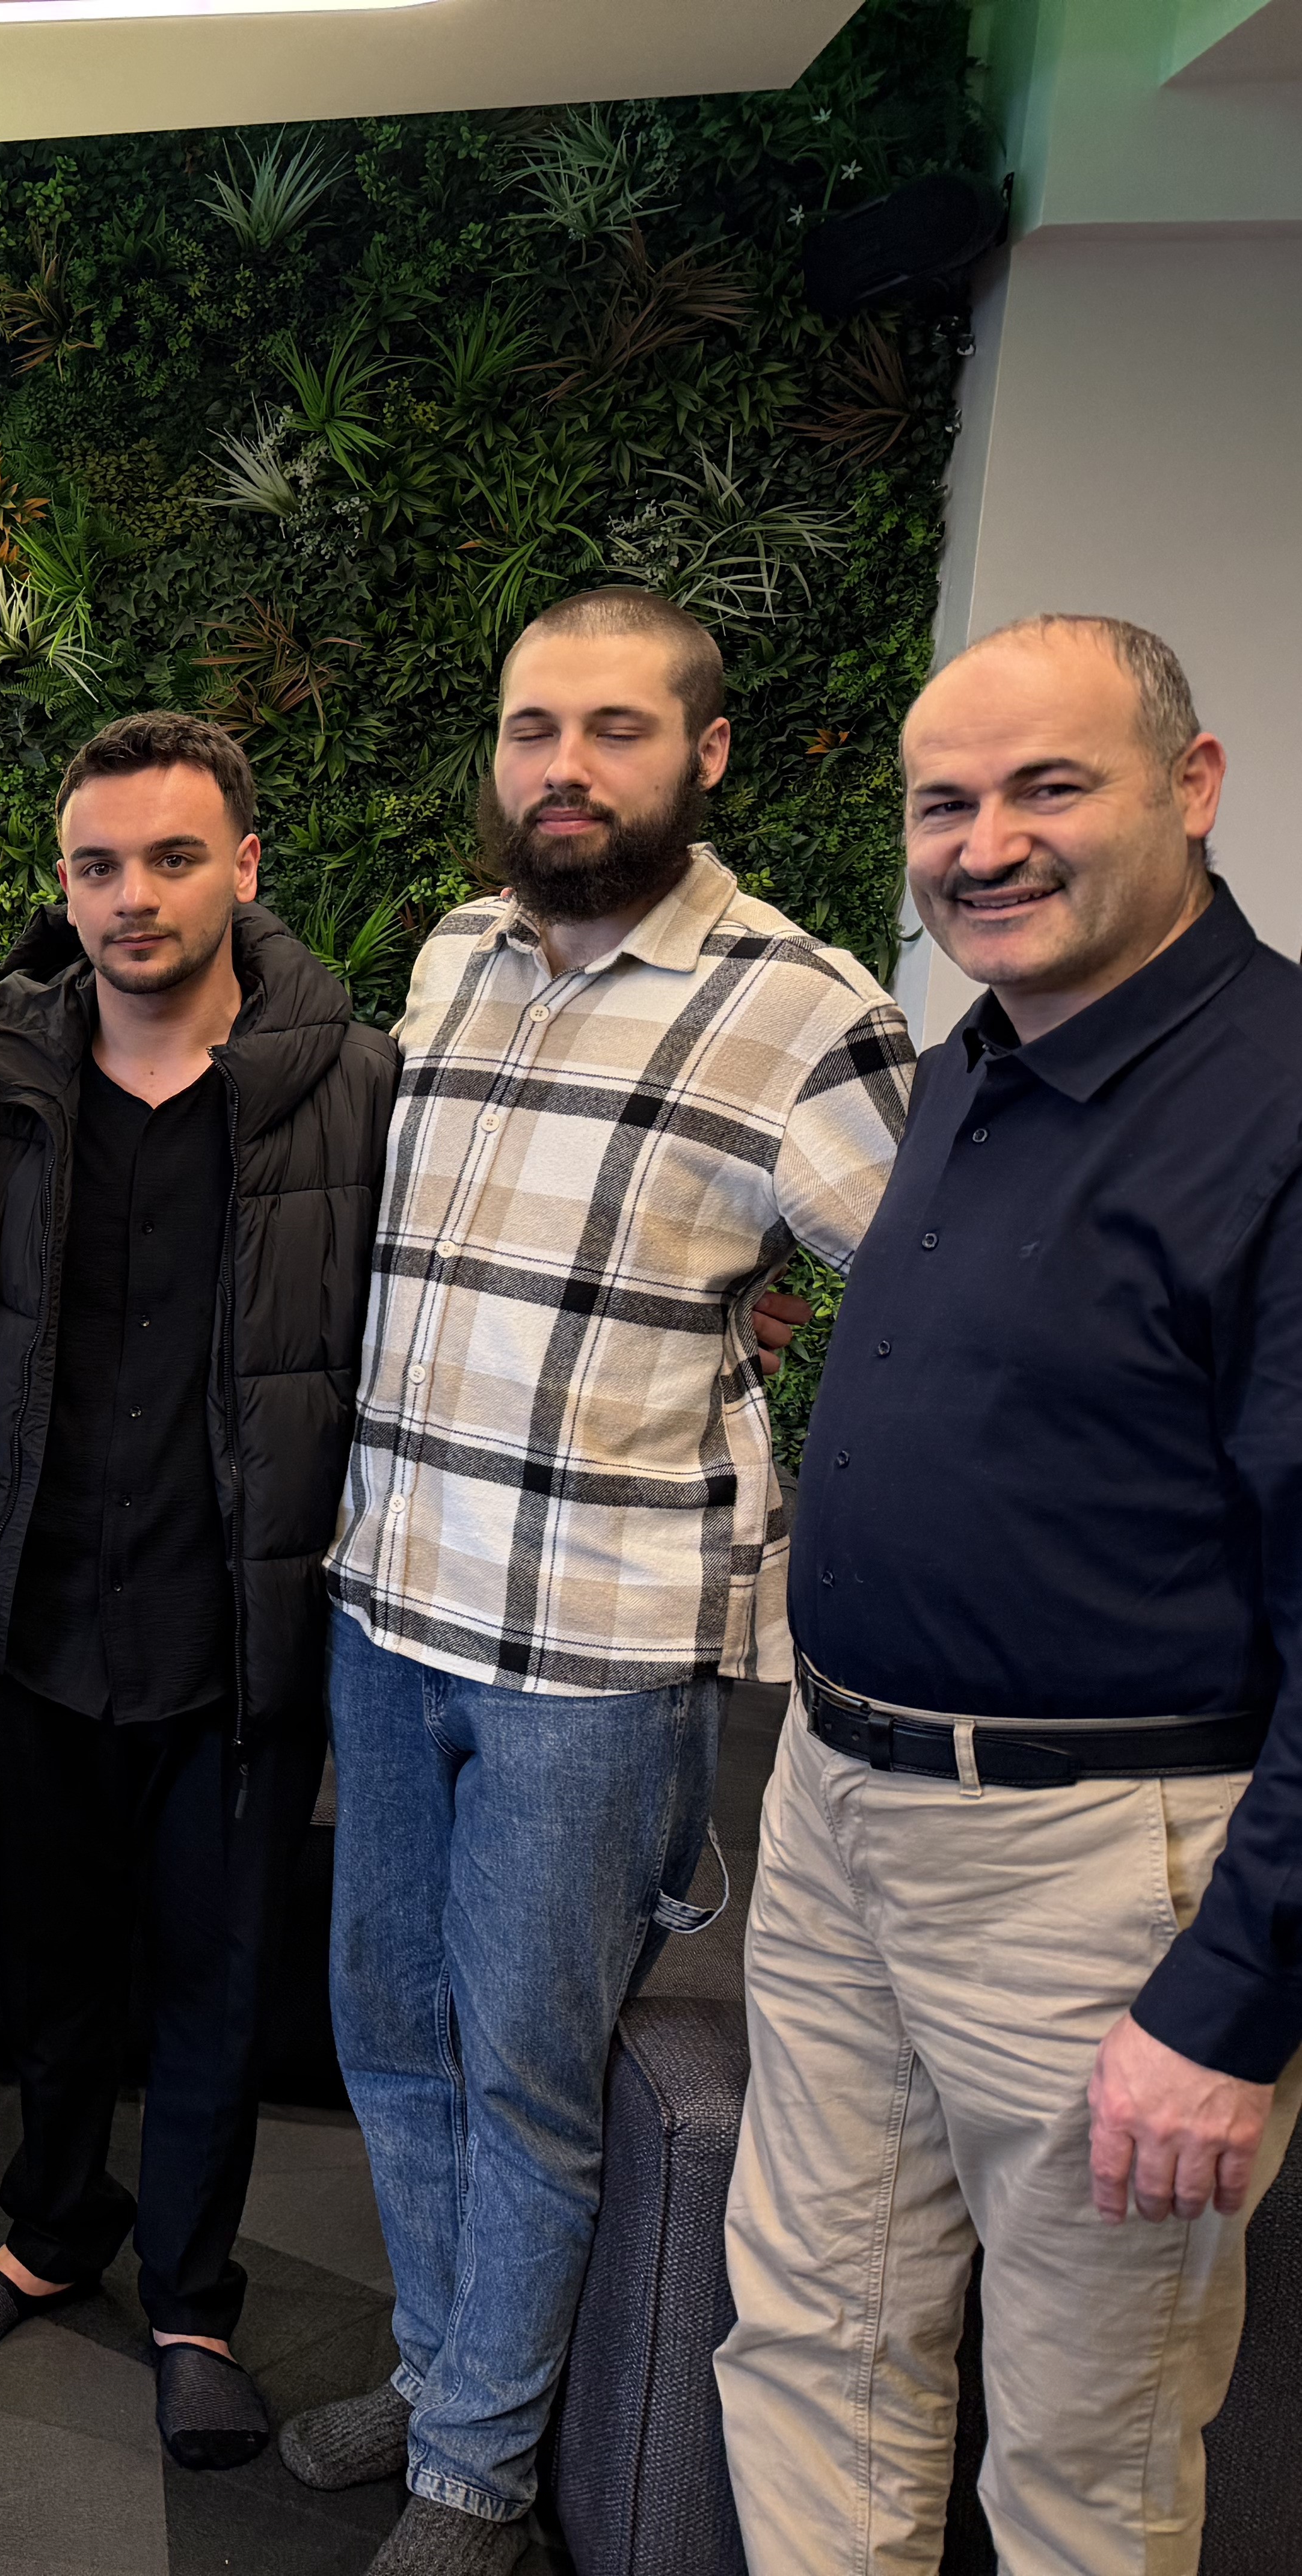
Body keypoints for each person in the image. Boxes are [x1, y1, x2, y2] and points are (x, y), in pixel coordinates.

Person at [286, 589, 915, 2576]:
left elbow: (940, 1306)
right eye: (533, 728)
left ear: (704, 754)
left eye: (616, 729)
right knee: (388, 2033)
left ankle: (477, 2478)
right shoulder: (456, 951)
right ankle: (442, 2375)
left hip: (600, 1652)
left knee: (529, 2075)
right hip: (390, 1606)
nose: (565, 767)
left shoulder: (802, 1009)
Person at [714, 615, 1302, 2575]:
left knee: (1084, 2457)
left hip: (1099, 1876)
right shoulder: (978, 1062)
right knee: (811, 2343)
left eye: (1049, 787)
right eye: (943, 803)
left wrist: (1230, 2003)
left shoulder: (1277, 1108)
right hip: (840, 1811)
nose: (983, 845)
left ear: (1192, 788)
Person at [0, 710, 395, 2466]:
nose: (134, 896)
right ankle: (53, 2228)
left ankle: (194, 2298)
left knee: (217, 1977)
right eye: (100, 865)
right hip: (34, 1609)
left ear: (245, 868)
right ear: (66, 886)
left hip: (240, 1624)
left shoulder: (357, 1087)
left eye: (174, 858)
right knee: (52, 1961)